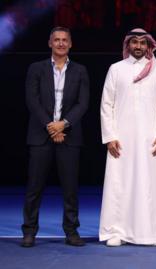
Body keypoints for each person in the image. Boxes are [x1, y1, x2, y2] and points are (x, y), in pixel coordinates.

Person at [99, 28, 156, 246]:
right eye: (134, 42)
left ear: (148, 45)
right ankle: (116, 232)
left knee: (149, 182)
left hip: (151, 138)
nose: (138, 46)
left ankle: (150, 233)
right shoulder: (116, 69)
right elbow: (106, 103)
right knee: (118, 182)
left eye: (142, 43)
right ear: (128, 45)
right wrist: (110, 136)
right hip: (121, 138)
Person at [22, 27, 89, 247]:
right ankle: (29, 231)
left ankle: (71, 231)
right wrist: (51, 127)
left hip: (70, 137)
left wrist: (64, 125)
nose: (60, 43)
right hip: (40, 135)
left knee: (70, 189)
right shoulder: (36, 68)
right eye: (56, 40)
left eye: (64, 40)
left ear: (71, 44)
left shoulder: (80, 71)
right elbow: (32, 100)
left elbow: (83, 103)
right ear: (50, 43)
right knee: (34, 187)